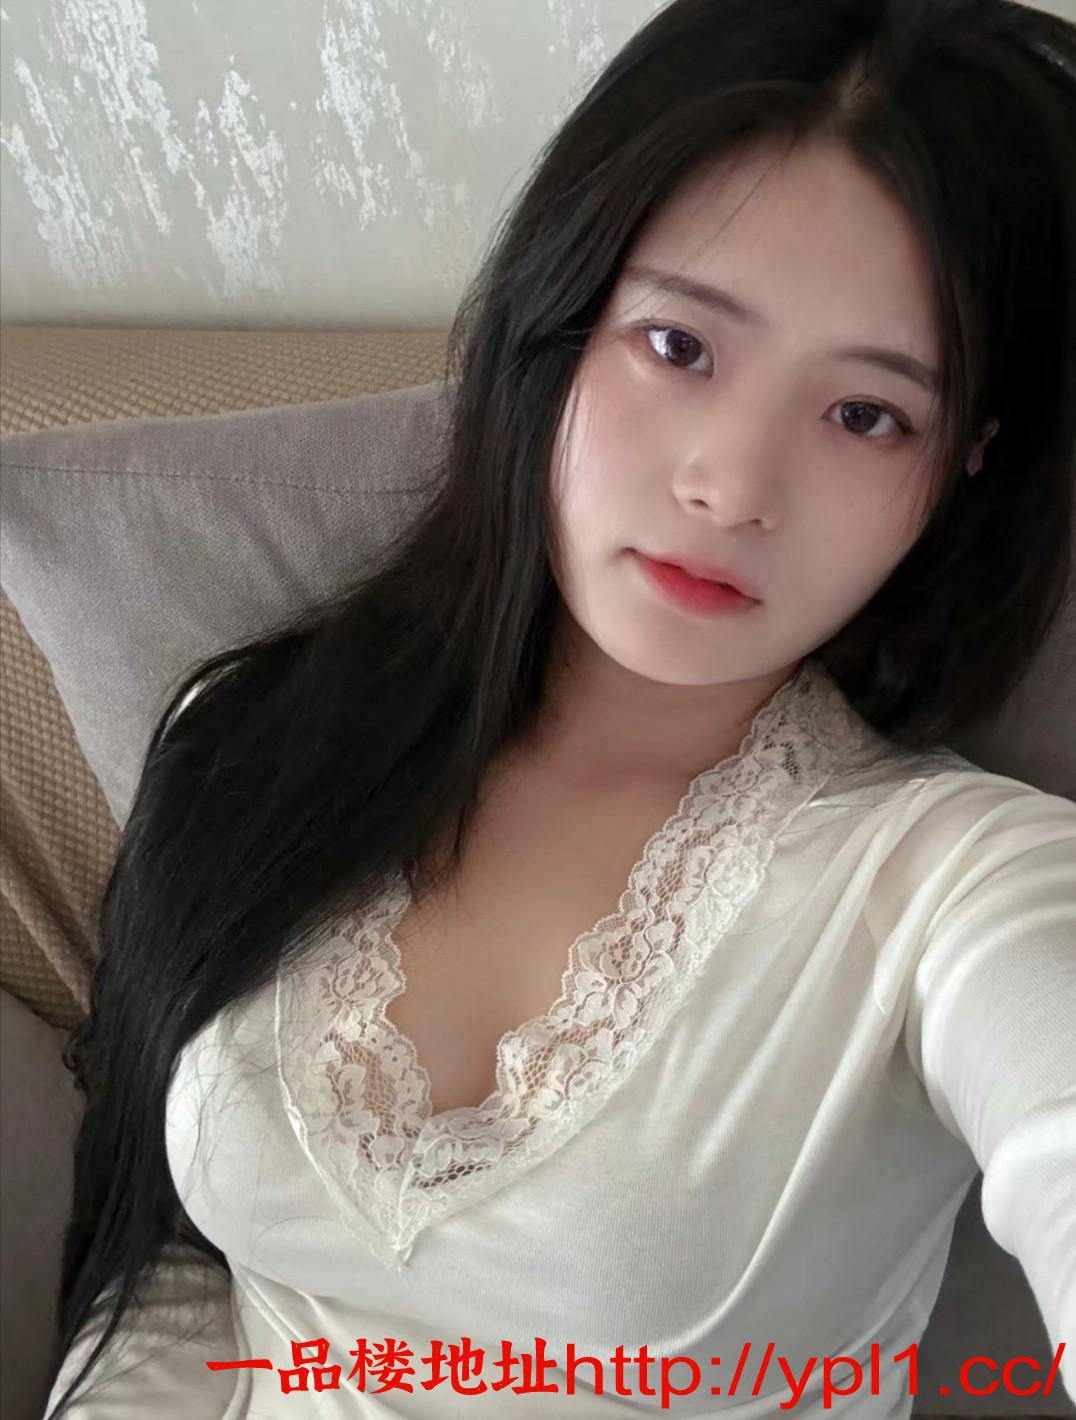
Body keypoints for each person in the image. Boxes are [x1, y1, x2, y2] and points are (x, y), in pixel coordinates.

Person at [43, 0, 1076, 1415]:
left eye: (866, 415)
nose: (730, 484)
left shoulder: (955, 885)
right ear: (562, 319)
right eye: (679, 346)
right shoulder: (253, 731)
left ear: (965, 463)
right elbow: (166, 1272)